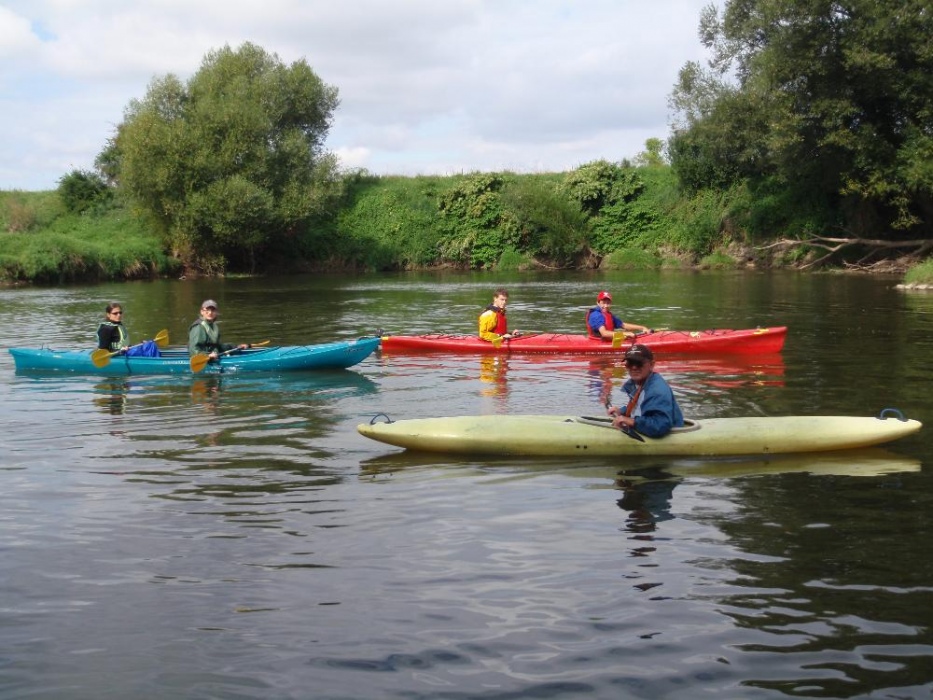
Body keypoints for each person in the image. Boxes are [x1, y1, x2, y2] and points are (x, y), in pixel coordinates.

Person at [606, 344, 684, 438]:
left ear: (651, 365)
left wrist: (632, 421)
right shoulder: (640, 383)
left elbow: (660, 425)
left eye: (639, 363)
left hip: (670, 435)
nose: (634, 367)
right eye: (630, 363)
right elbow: (640, 407)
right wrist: (621, 412)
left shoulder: (657, 390)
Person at [586, 290, 652, 341]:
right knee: (625, 334)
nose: (606, 306)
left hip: (609, 340)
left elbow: (623, 325)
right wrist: (625, 334)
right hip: (598, 341)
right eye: (603, 303)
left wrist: (642, 328)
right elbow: (604, 333)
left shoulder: (608, 314)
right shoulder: (596, 315)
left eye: (608, 303)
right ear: (598, 303)